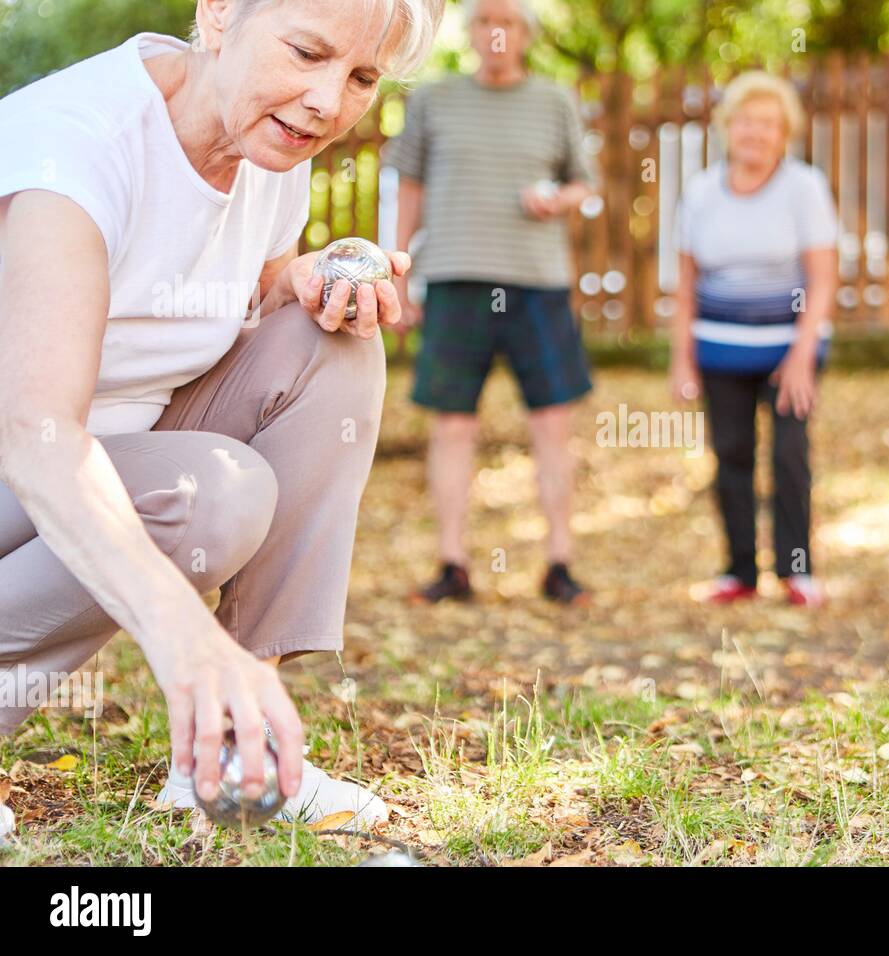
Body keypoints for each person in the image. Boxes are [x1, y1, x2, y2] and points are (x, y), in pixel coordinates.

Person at [0, 0, 444, 838]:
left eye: (360, 77)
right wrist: (180, 638)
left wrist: (302, 279)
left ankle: (233, 753)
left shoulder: (267, 144)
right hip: (25, 456)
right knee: (213, 493)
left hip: (119, 443)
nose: (326, 102)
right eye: (307, 51)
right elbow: (38, 436)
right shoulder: (78, 146)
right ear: (217, 14)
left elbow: (238, 288)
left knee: (335, 342)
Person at [386, 0, 599, 606]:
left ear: (525, 33)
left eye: (507, 21)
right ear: (472, 32)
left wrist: (558, 200)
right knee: (452, 426)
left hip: (538, 285)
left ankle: (560, 562)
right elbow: (409, 187)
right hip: (455, 280)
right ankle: (452, 563)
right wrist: (398, 275)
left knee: (552, 425)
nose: (495, 32)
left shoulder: (556, 100)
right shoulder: (432, 101)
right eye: (484, 21)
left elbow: (583, 182)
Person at [670, 71, 838, 607]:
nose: (756, 133)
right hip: (719, 351)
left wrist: (801, 356)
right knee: (731, 454)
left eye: (768, 124)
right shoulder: (700, 193)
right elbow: (686, 286)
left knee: (790, 454)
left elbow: (824, 278)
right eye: (746, 121)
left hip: (789, 349)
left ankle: (797, 571)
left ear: (784, 132)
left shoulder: (804, 187)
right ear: (726, 127)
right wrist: (682, 361)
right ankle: (740, 571)